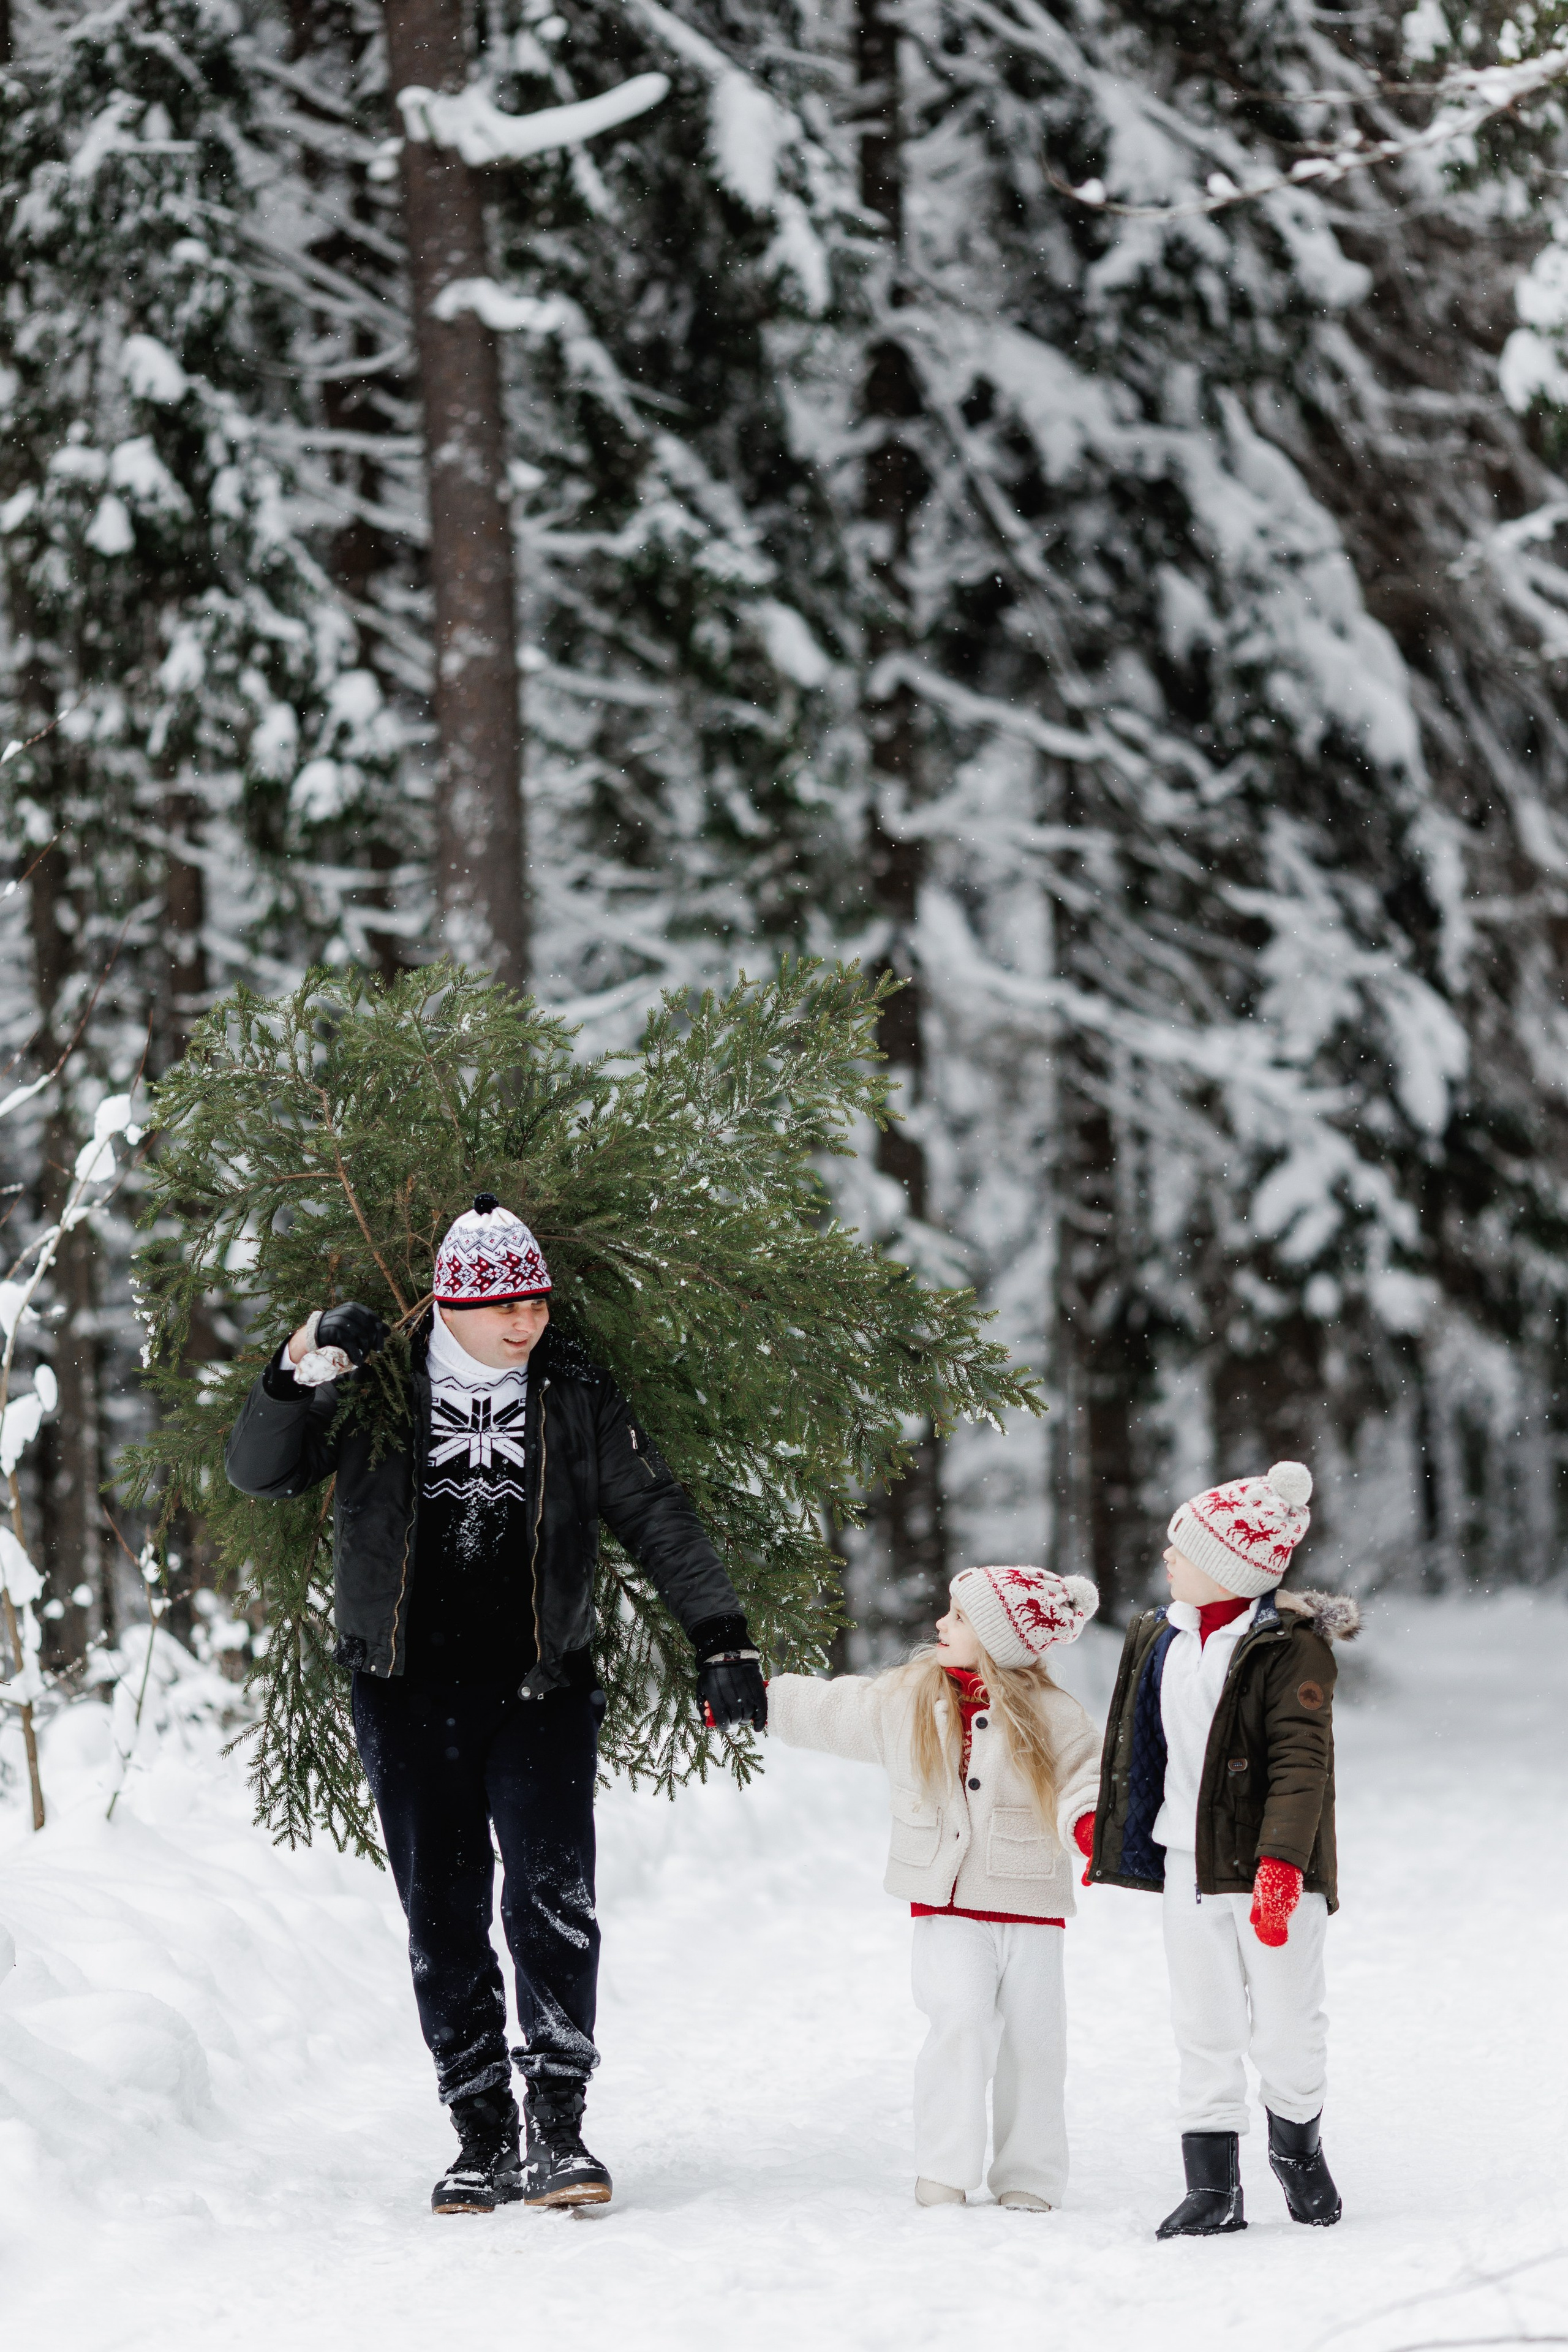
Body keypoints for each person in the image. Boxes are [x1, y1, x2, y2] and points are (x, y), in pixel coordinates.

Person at [224, 1195, 767, 2216]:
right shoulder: (378, 1379)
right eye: (502, 1305)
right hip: (403, 1686)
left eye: (536, 1302)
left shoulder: (572, 1387)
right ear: (450, 1303)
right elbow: (260, 1475)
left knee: (554, 1900)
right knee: (444, 1910)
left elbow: (654, 1508)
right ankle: (479, 2130)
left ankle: (559, 2124)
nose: (524, 1323)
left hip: (540, 1685)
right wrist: (296, 1371)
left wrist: (720, 1634)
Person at [1081, 1460, 1359, 2237]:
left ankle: (1297, 2150)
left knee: (1285, 2025)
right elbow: (1139, 1749)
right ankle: (1212, 2188)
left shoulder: (1291, 1647)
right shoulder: (1158, 1637)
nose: (1167, 1558)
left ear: (1232, 1567)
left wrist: (1280, 1866)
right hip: (1185, 1867)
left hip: (1272, 1871)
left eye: (1184, 1548)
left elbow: (1304, 1765)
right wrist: (1106, 1822)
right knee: (1201, 2024)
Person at [768, 1566, 1101, 2211]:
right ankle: (944, 2167)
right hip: (947, 1907)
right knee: (961, 2021)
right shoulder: (911, 1701)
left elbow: (1084, 1779)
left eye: (959, 1617)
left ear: (1001, 1638)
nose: (940, 1625)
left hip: (1030, 1904)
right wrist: (760, 1700)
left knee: (1034, 2043)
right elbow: (839, 1709)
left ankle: (1028, 2174)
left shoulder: (1056, 1715)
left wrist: (1087, 1826)